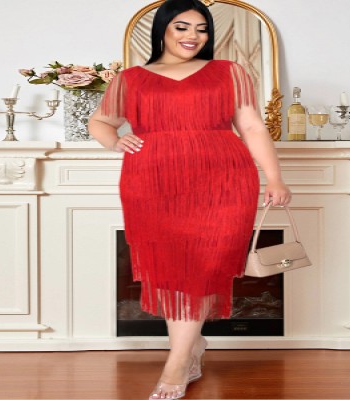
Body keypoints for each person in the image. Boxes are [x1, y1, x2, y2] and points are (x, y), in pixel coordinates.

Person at [88, 0, 291, 398]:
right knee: (171, 267)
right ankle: (191, 348)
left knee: (204, 265)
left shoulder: (229, 72)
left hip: (224, 181)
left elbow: (252, 126)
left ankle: (177, 364)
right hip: (152, 182)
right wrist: (114, 141)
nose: (193, 36)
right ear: (163, 29)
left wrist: (275, 177)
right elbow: (100, 121)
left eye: (201, 28)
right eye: (182, 27)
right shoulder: (130, 78)